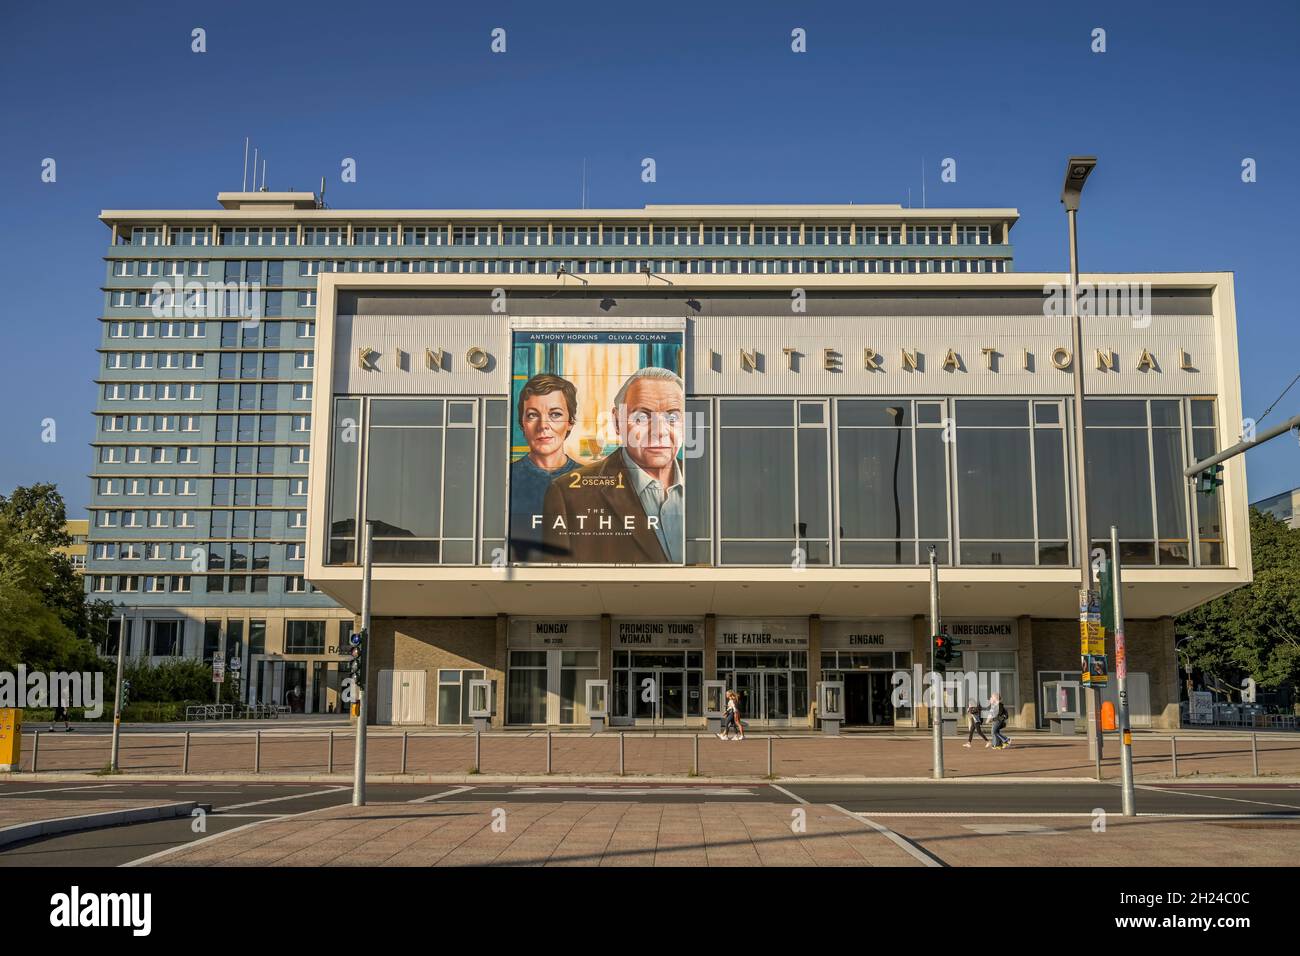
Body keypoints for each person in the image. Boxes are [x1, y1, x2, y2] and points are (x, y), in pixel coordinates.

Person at [542, 367, 685, 564]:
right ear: (617, 422)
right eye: (642, 417)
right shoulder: (567, 495)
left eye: (672, 417)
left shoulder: (711, 484)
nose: (659, 431)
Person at [509, 374, 582, 562]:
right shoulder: (505, 480)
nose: (543, 426)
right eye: (533, 415)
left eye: (555, 414)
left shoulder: (590, 481)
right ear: (522, 424)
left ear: (570, 422)